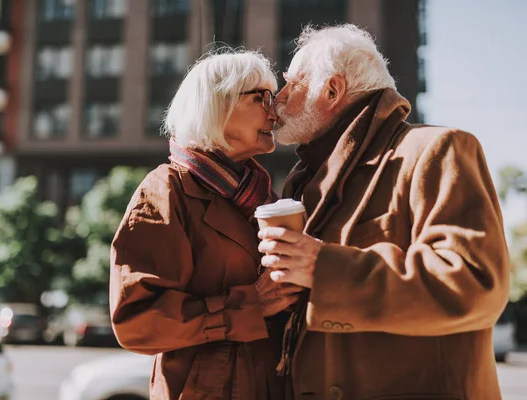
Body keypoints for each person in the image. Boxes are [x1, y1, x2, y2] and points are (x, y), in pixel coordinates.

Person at [257, 24, 510, 400]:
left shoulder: (437, 149)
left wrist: (323, 268)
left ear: (331, 90)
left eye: (291, 83)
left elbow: (474, 284)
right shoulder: (301, 181)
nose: (278, 99)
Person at [109, 49, 300, 400]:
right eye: (261, 97)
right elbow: (137, 324)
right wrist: (249, 305)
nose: (275, 109)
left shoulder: (264, 197)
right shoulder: (167, 189)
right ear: (217, 104)